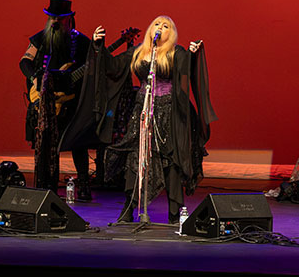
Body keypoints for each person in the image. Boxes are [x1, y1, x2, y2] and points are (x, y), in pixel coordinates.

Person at [78, 15, 216, 224]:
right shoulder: (139, 52)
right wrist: (99, 46)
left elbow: (186, 71)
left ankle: (174, 213)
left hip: (169, 112)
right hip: (142, 111)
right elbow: (114, 66)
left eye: (166, 26)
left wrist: (193, 54)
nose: (160, 27)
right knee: (136, 158)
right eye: (157, 24)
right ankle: (128, 209)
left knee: (170, 160)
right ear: (151, 29)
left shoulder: (176, 52)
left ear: (172, 33)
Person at [19, 0, 94, 196]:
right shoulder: (40, 39)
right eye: (52, 17)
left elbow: (93, 68)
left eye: (59, 18)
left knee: (78, 143)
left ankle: (83, 184)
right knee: (45, 143)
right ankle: (46, 183)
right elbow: (25, 61)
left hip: (71, 101)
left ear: (69, 19)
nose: (55, 21)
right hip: (45, 100)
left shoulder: (81, 42)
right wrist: (34, 78)